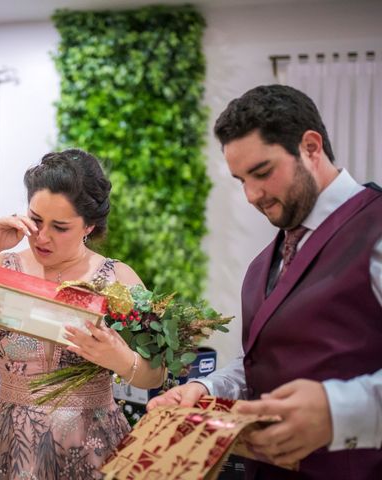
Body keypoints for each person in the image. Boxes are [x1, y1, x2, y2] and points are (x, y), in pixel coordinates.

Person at [148, 85, 382, 478]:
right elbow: (265, 364)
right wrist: (208, 390)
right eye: (241, 180)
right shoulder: (263, 264)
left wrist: (337, 410)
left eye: (262, 172)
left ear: (310, 147)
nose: (252, 195)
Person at [0, 149, 165, 479]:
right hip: (12, 444)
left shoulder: (118, 279)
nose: (42, 236)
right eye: (36, 219)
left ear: (89, 226)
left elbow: (157, 373)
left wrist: (121, 359)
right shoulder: (6, 267)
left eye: (60, 227)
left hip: (91, 445)